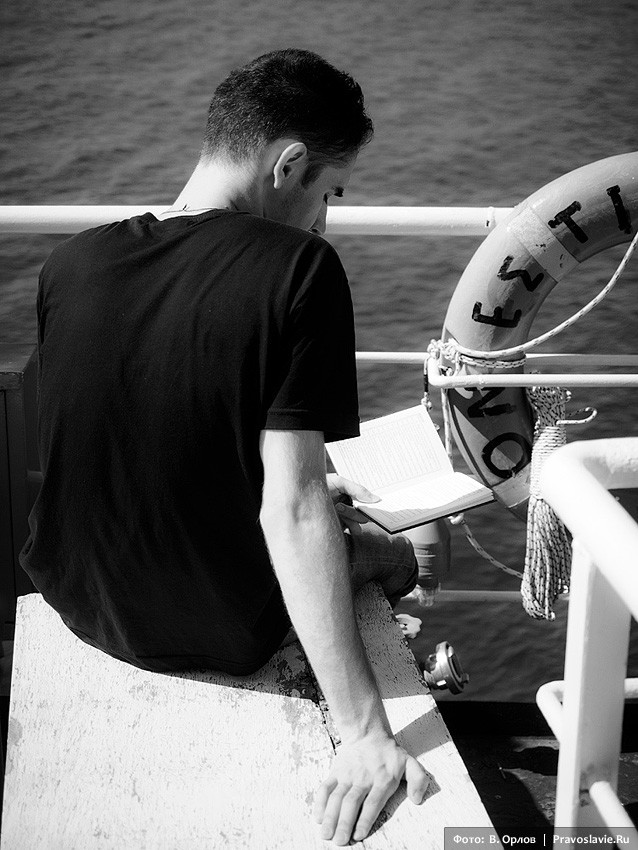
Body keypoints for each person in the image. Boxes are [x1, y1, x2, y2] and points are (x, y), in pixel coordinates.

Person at [20, 48, 429, 845]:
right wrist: (365, 736)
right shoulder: (301, 270)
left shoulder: (70, 262)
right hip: (213, 626)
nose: (324, 219)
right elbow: (295, 507)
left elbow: (136, 422)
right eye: (330, 192)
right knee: (401, 546)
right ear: (290, 164)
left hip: (82, 597)